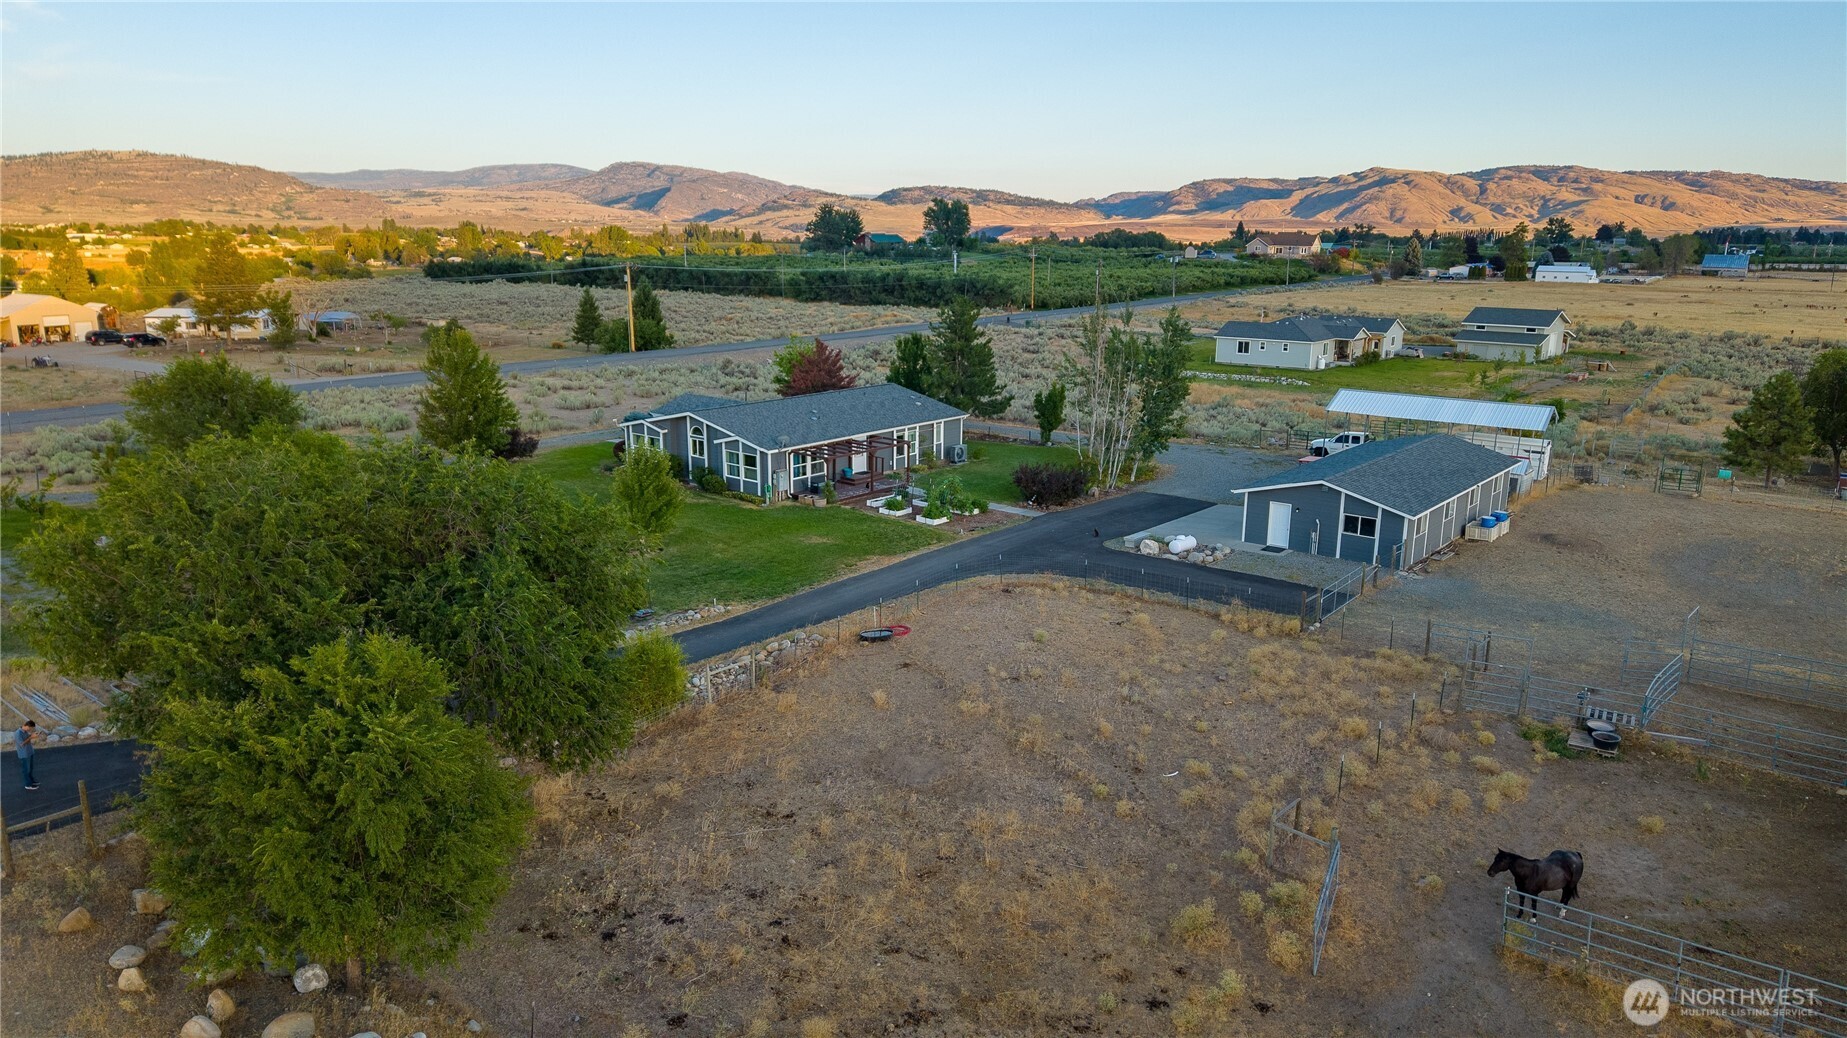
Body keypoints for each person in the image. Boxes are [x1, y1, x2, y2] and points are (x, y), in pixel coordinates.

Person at [15, 719, 40, 790]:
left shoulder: (25, 731)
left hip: (30, 752)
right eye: (31, 728)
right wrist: (31, 737)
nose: (30, 730)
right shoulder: (18, 733)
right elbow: (21, 744)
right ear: (27, 726)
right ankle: (28, 785)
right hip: (24, 754)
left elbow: (28, 737)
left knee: (30, 768)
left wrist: (33, 735)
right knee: (26, 770)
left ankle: (31, 781)